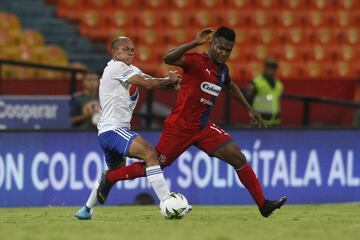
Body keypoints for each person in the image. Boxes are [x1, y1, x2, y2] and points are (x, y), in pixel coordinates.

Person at [89, 27, 287, 219]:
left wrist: (249, 109)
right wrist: (194, 42)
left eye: (228, 50)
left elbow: (231, 87)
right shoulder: (195, 60)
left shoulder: (222, 71)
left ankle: (263, 204)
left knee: (238, 157)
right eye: (219, 47)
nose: (223, 52)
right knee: (155, 163)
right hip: (180, 127)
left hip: (203, 127)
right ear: (211, 44)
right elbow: (169, 58)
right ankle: (110, 178)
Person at [74, 36, 186, 220]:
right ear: (115, 52)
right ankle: (167, 200)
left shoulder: (131, 70)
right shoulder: (115, 67)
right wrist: (168, 79)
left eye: (132, 49)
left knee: (113, 172)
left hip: (109, 132)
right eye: (125, 49)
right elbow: (148, 83)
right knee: (150, 154)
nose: (130, 52)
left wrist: (172, 84)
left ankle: (86, 210)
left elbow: (153, 82)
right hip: (114, 129)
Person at [246, 58, 283, 126]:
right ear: (265, 68)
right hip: (260, 121)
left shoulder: (279, 85)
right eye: (269, 68)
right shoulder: (256, 82)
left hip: (275, 122)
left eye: (273, 68)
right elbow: (248, 99)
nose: (271, 70)